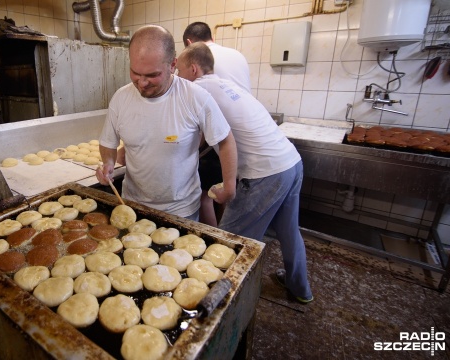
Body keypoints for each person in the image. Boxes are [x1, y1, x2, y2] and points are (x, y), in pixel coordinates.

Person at [176, 42, 313, 303]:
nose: (178, 77)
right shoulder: (224, 84)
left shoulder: (196, 89)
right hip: (291, 162)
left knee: (228, 245)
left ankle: (220, 306)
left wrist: (228, 187)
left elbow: (199, 135)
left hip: (264, 175)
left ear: (193, 69)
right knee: (288, 231)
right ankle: (300, 289)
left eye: (179, 71)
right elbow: (206, 133)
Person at [95, 25, 238, 221]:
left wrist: (230, 186)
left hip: (181, 210)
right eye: (136, 73)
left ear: (172, 65)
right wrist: (108, 163)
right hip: (132, 206)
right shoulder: (121, 99)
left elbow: (225, 141)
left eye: (152, 75)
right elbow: (108, 142)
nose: (142, 83)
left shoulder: (195, 97)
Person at [183, 21, 251, 226]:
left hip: (221, 140)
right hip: (243, 139)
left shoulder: (198, 61)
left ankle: (213, 239)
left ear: (188, 42)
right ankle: (220, 228)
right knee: (220, 194)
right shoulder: (236, 55)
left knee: (204, 196)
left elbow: (203, 115)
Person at [182, 21, 251, 93]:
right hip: (250, 102)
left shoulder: (199, 59)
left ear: (189, 43)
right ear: (212, 39)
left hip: (222, 104)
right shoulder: (238, 54)